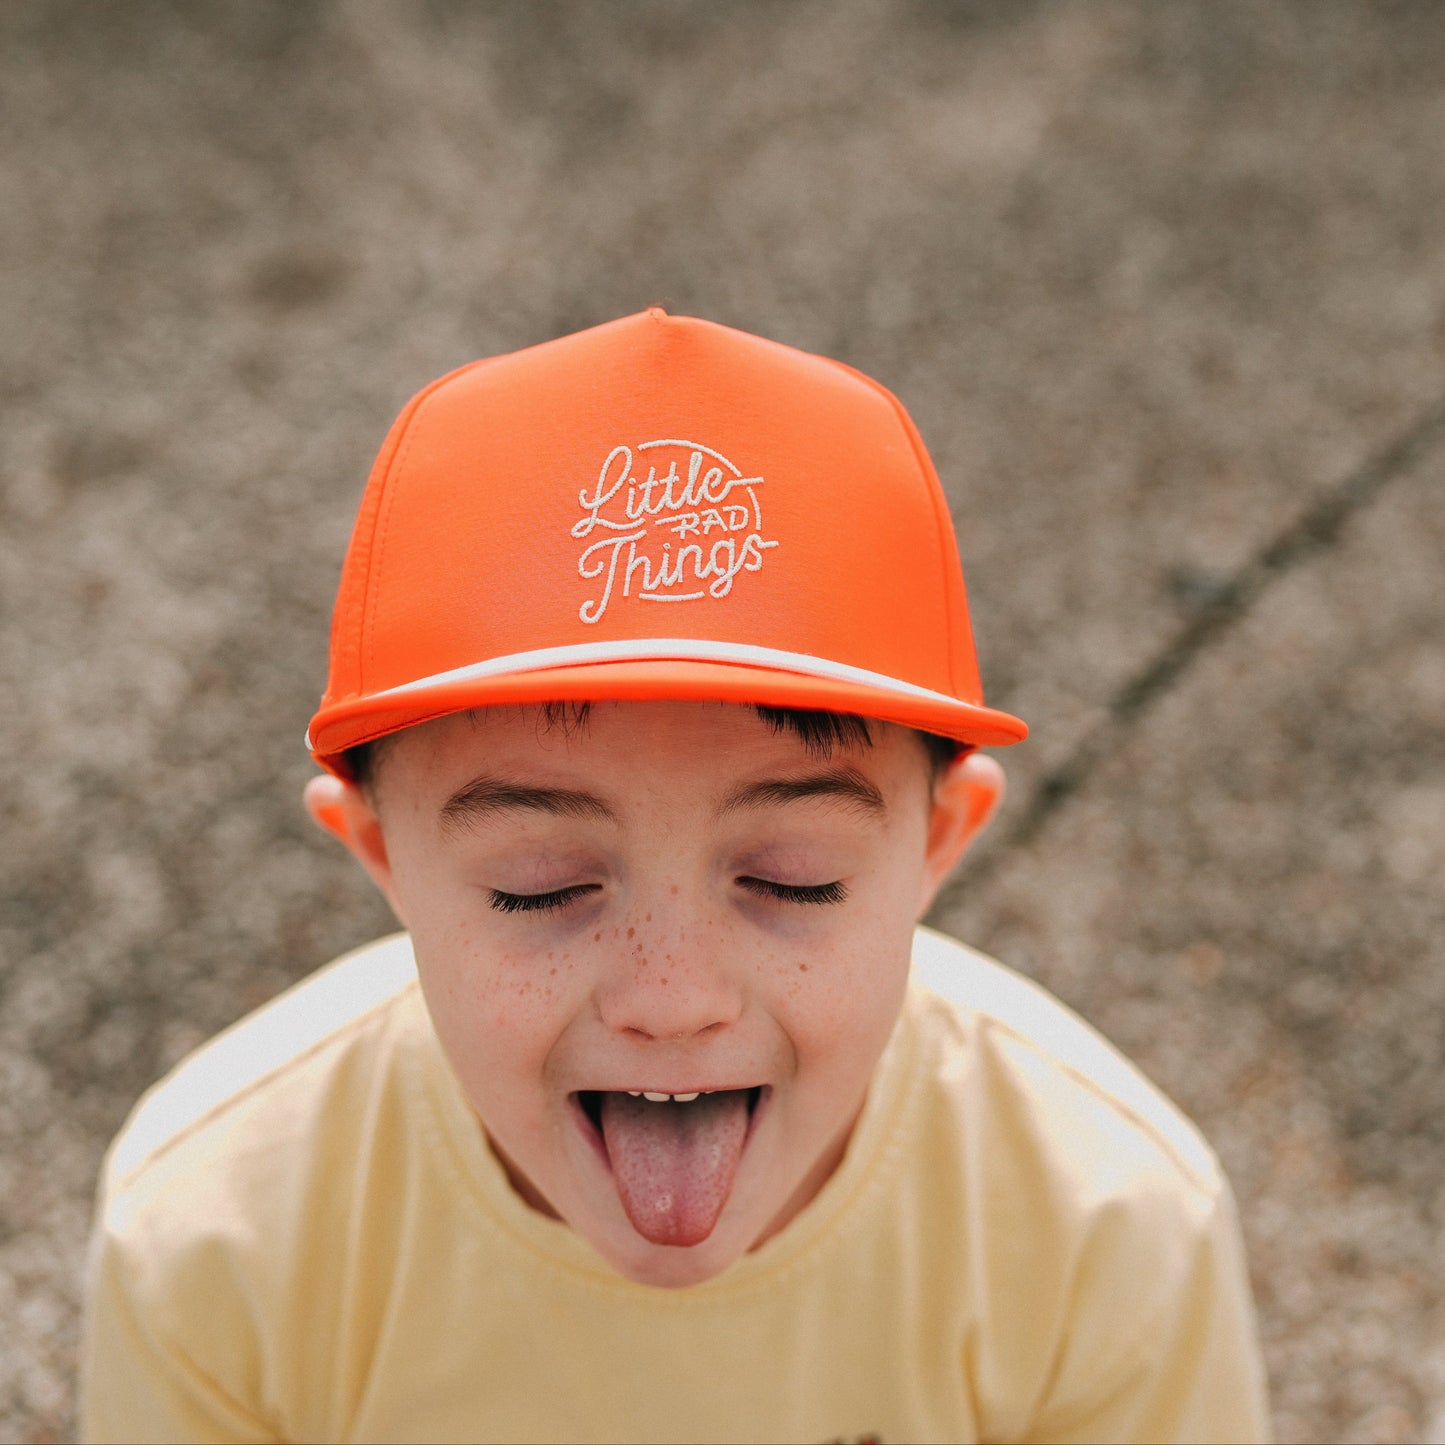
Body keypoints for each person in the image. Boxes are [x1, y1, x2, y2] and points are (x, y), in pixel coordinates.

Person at [80, 308, 1270, 1443]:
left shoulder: (1108, 1225)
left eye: (793, 878)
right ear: (380, 852)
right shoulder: (215, 1236)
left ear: (935, 843)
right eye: (540, 885)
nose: (670, 996)